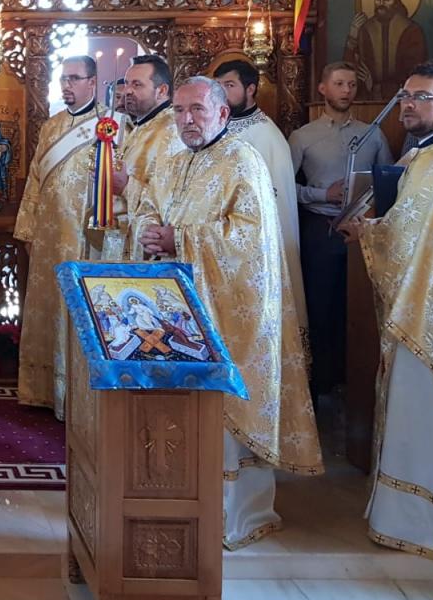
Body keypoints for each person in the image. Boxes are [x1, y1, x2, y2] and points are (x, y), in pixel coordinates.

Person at [134, 77, 322, 549]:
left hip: (228, 315)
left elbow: (251, 239)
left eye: (197, 109)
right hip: (177, 312)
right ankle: (180, 499)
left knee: (222, 413)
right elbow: (147, 207)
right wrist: (149, 231)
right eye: (179, 111)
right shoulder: (173, 160)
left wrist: (182, 239)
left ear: (222, 113)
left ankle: (234, 514)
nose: (186, 120)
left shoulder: (243, 161)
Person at [340, 61, 433, 563]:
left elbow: (415, 235)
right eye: (405, 96)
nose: (409, 106)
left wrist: (367, 232)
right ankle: (409, 519)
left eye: (422, 97)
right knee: (413, 414)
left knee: (432, 415)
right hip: (419, 303)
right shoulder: (426, 155)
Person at [287, 61, 391, 396]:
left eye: (351, 84)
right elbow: (285, 187)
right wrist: (322, 194)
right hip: (320, 229)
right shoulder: (303, 137)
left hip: (363, 230)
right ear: (323, 88)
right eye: (339, 84)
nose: (346, 90)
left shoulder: (373, 134)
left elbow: (388, 180)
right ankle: (321, 381)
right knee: (321, 304)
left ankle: (356, 382)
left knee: (358, 306)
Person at [13, 55, 103, 416]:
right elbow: (35, 179)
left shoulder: (111, 126)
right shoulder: (51, 126)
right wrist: (28, 229)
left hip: (86, 240)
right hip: (49, 240)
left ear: (92, 83)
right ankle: (45, 390)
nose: (67, 85)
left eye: (74, 79)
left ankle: (80, 397)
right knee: (48, 311)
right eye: (63, 79)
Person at [215, 59, 308, 345]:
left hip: (253, 245)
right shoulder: (220, 128)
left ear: (251, 89)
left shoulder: (266, 136)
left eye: (229, 85)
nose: (221, 93)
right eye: (217, 87)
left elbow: (274, 206)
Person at [106, 54, 182, 259]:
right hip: (123, 237)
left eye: (137, 85)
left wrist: (125, 186)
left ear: (162, 90)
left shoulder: (172, 132)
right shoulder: (141, 126)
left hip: (150, 247)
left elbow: (171, 198)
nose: (127, 91)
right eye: (127, 83)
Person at [342, 0, 428, 99]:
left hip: (401, 98)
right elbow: (348, 68)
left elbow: (415, 72)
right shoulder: (365, 29)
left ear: (396, 1)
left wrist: (377, 86)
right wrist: (353, 36)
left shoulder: (411, 30)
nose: (381, 3)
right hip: (367, 100)